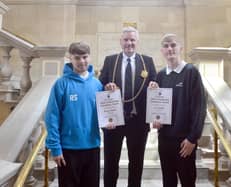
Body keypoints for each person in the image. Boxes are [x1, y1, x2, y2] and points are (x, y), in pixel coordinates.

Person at [99, 26, 157, 187]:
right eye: (126, 39)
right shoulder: (110, 60)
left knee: (136, 164)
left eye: (132, 40)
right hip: (114, 121)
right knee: (111, 163)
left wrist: (154, 86)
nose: (129, 43)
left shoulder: (148, 61)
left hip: (138, 121)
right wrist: (106, 86)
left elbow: (155, 85)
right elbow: (100, 83)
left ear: (137, 42)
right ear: (120, 41)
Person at [150, 33, 206, 187]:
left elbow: (199, 107)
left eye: (173, 45)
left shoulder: (191, 72)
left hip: (185, 141)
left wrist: (193, 138)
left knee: (188, 182)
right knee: (168, 182)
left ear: (180, 48)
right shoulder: (160, 75)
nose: (170, 49)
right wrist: (156, 120)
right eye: (166, 46)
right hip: (165, 139)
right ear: (162, 51)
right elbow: (159, 108)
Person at [45, 42, 103, 187]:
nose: (82, 61)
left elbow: (105, 114)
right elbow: (52, 117)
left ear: (89, 57)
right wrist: (55, 148)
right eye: (77, 58)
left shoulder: (97, 85)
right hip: (68, 150)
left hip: (92, 147)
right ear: (70, 58)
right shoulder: (61, 84)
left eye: (85, 57)